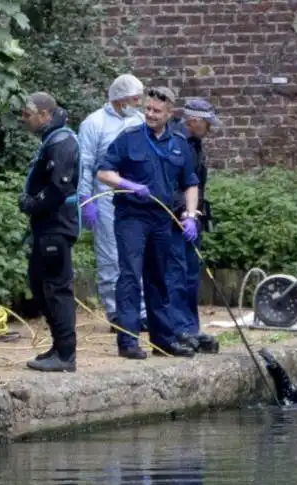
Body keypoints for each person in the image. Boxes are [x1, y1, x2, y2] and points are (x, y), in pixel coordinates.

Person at [96, 86, 200, 360]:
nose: (151, 115)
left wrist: (191, 215)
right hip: (132, 216)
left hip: (162, 219)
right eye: (148, 109)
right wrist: (129, 185)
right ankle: (128, 340)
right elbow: (105, 172)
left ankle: (162, 340)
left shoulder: (178, 144)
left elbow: (190, 183)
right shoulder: (129, 139)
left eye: (157, 111)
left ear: (169, 113)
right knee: (130, 274)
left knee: (160, 277)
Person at [77, 74, 149, 333]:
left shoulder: (139, 121)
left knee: (135, 255)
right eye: (134, 99)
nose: (138, 103)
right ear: (120, 99)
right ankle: (116, 313)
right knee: (111, 255)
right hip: (105, 194)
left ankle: (139, 312)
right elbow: (84, 164)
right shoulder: (94, 123)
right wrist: (86, 199)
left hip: (135, 195)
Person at [18, 92, 81, 372]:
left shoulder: (62, 142)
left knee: (56, 288)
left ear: (44, 114)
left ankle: (66, 354)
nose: (24, 120)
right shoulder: (51, 140)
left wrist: (32, 203)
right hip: (46, 226)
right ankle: (58, 346)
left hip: (57, 224)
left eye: (27, 115)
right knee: (39, 285)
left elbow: (59, 187)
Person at [166, 98, 223, 354]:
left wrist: (196, 214)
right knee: (176, 275)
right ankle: (177, 330)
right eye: (207, 124)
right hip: (175, 218)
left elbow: (198, 183)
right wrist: (182, 212)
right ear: (195, 121)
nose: (209, 129)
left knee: (190, 275)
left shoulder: (194, 144)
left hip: (193, 218)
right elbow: (172, 182)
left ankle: (190, 327)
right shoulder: (174, 143)